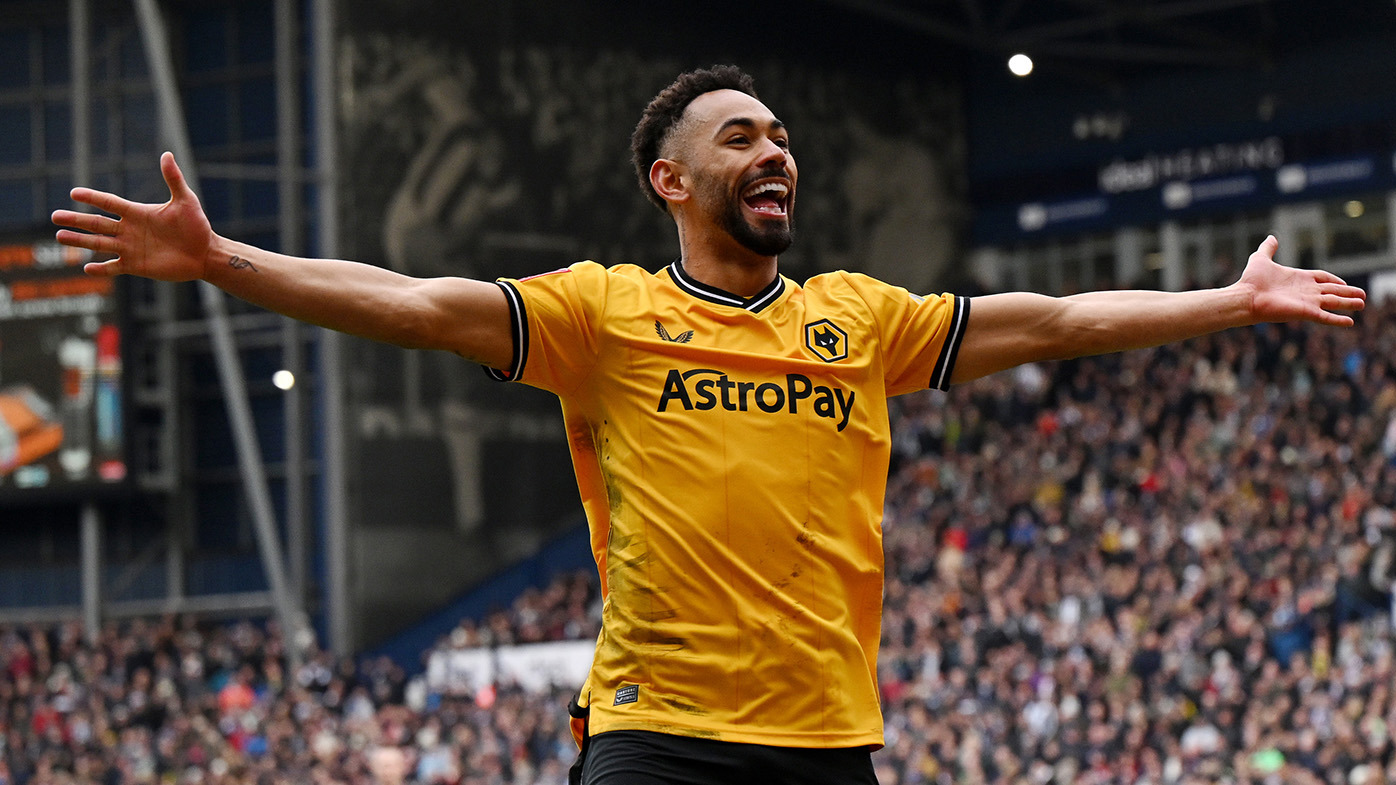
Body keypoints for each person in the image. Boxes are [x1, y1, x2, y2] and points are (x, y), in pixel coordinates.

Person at [52, 65, 1365, 785]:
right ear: (672, 179)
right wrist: (227, 263)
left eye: (784, 134)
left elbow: (1065, 321)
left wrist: (1234, 297)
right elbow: (410, 302)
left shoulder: (862, 319)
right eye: (743, 136)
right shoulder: (601, 314)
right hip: (657, 741)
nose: (775, 148)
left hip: (829, 743)